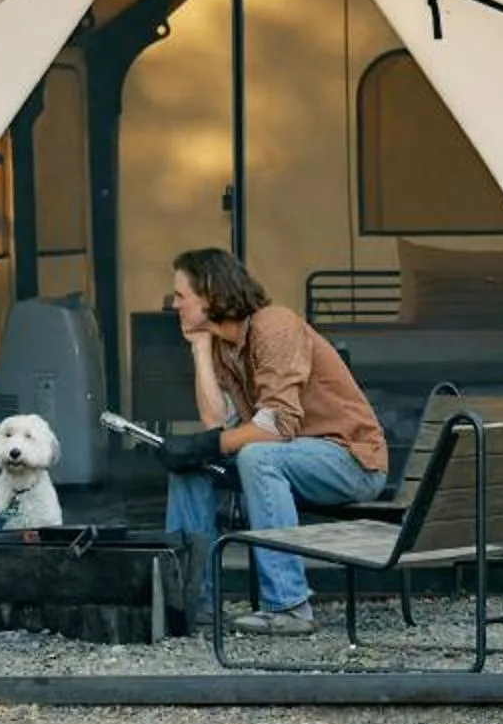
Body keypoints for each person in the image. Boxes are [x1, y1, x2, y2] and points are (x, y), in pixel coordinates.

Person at [159, 245, 389, 636]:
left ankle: (289, 606)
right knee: (192, 466)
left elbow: (277, 425)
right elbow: (217, 423)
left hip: (349, 460)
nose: (174, 305)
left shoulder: (274, 326)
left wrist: (210, 443)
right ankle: (192, 605)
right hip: (288, 457)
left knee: (257, 456)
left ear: (210, 293)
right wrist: (200, 349)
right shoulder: (222, 345)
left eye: (181, 295)